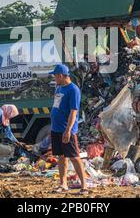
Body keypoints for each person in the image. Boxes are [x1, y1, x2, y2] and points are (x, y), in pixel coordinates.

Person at [49, 64, 87, 195]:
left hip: (66, 129)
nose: (54, 78)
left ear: (60, 75)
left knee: (74, 157)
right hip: (56, 128)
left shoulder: (73, 90)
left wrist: (68, 129)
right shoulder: (59, 88)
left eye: (55, 75)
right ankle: (63, 184)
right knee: (61, 157)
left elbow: (73, 111)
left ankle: (84, 186)